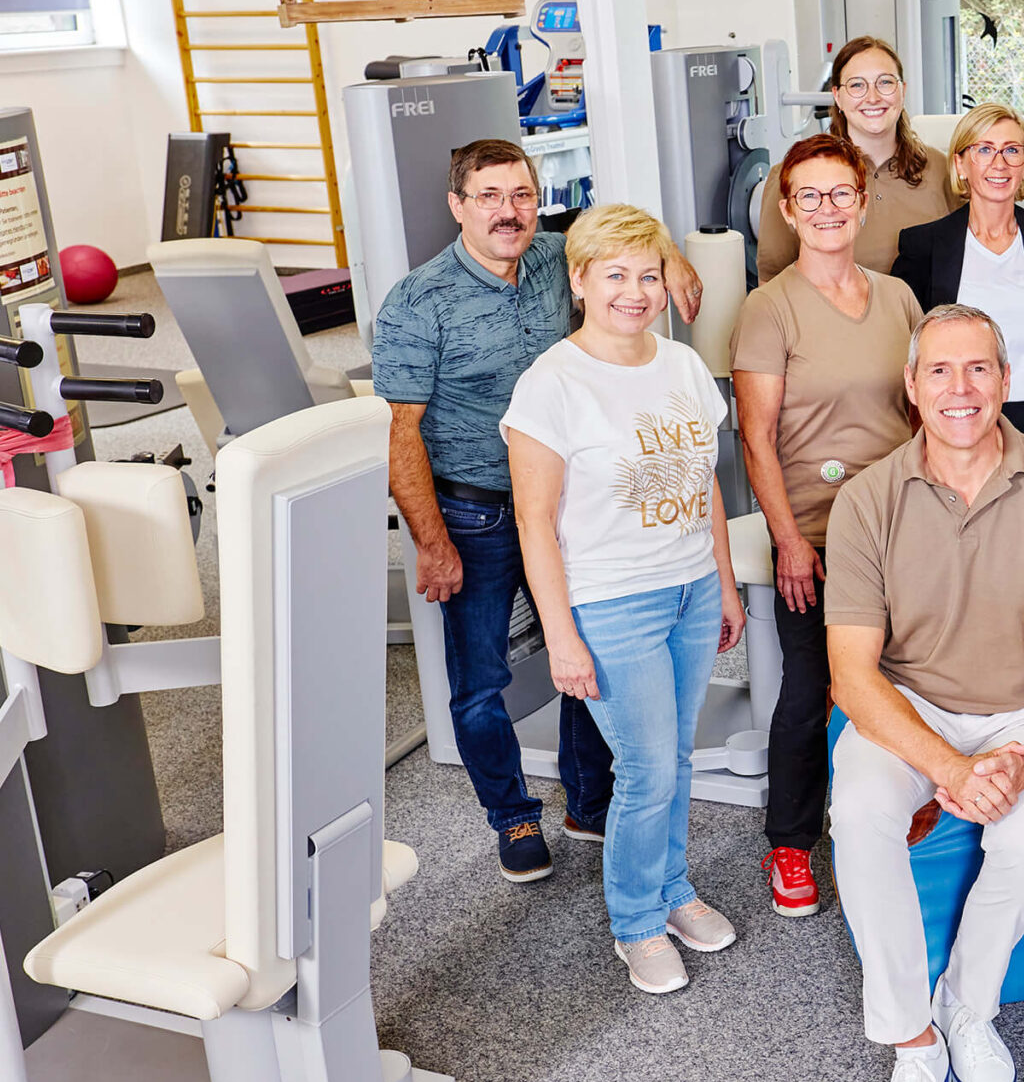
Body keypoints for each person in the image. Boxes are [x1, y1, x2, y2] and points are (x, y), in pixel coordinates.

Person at [824, 303, 1024, 1082]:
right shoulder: (866, 499)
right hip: (910, 704)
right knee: (861, 815)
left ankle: (966, 1006)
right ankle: (914, 1043)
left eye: (979, 368)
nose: (961, 388)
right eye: (941, 371)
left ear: (1006, 379)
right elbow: (852, 676)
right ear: (912, 387)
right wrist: (950, 767)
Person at [372, 137, 703, 884]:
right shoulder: (418, 303)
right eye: (488, 197)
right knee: (480, 680)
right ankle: (514, 816)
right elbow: (400, 433)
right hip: (479, 513)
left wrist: (672, 260)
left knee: (589, 651)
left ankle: (589, 800)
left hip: (573, 508)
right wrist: (431, 541)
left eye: (521, 194)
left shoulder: (559, 257)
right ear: (457, 205)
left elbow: (623, 242)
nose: (508, 211)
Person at [504, 204, 746, 995]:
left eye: (648, 275)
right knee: (645, 771)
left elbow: (705, 483)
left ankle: (674, 891)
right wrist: (561, 635)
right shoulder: (551, 385)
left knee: (675, 759)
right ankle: (636, 922)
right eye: (615, 275)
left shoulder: (681, 365)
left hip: (690, 589)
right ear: (579, 281)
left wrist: (724, 583)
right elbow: (536, 525)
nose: (635, 293)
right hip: (612, 603)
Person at [733, 135, 926, 921]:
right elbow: (756, 437)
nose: (826, 208)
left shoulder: (899, 299)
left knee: (913, 673)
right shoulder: (769, 308)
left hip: (904, 524)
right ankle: (790, 842)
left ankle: (903, 817)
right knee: (813, 685)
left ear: (863, 202)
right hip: (815, 531)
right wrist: (787, 540)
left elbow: (922, 413)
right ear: (787, 210)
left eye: (840, 192)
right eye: (808, 196)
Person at [892, 103, 1024, 456]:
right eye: (984, 150)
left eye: (1012, 150)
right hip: (962, 416)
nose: (999, 163)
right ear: (960, 164)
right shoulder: (924, 245)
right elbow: (908, 346)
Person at [754, 37, 953, 277]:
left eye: (885, 82)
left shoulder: (941, 169)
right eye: (857, 85)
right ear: (837, 96)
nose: (873, 97)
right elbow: (772, 277)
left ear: (902, 91)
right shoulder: (793, 174)